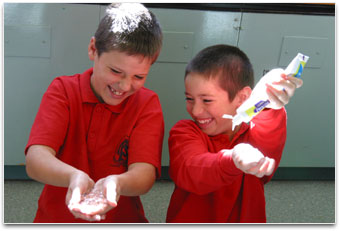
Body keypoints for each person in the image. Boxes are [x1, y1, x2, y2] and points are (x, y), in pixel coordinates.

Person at [25, 3, 164, 223]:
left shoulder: (147, 103)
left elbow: (145, 175)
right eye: (116, 71)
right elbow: (35, 159)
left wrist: (117, 183)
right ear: (93, 49)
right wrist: (73, 177)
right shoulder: (63, 90)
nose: (125, 86)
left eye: (139, 77)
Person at [166, 44, 303, 223]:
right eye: (189, 99)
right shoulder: (184, 132)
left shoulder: (254, 134)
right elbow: (192, 171)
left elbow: (269, 145)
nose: (196, 110)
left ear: (242, 98)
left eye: (206, 100)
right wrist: (233, 160)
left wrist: (270, 104)